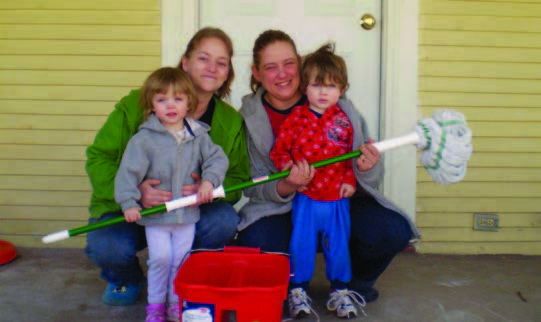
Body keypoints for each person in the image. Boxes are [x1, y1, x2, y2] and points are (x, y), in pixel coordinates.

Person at [237, 29, 419, 316]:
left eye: (288, 63)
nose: (282, 74)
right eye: (270, 67)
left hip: (337, 198)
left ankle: (350, 287)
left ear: (300, 63)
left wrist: (366, 168)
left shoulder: (341, 110)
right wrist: (287, 184)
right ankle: (292, 288)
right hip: (287, 205)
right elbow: (253, 184)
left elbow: (364, 164)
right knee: (258, 241)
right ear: (256, 73)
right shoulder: (249, 119)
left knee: (390, 230)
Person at [85, 27, 250, 306]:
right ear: (185, 63)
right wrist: (133, 193)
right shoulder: (136, 104)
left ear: (228, 72)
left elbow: (237, 177)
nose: (212, 68)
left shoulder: (230, 121)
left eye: (221, 62)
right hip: (133, 211)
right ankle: (128, 278)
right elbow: (98, 158)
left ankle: (187, 279)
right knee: (107, 245)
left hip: (188, 213)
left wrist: (210, 187)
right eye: (203, 58)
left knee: (224, 221)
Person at [115, 67, 228, 321]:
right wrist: (128, 202)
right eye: (162, 99)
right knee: (161, 259)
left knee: (181, 261)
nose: (170, 105)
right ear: (151, 104)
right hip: (156, 217)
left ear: (189, 103)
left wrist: (208, 182)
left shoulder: (198, 135)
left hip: (187, 215)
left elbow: (217, 160)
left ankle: (176, 303)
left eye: (178, 99)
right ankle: (155, 307)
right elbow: (128, 173)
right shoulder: (144, 140)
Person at [269, 44, 362, 318]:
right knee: (302, 244)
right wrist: (289, 170)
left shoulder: (345, 121)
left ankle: (340, 290)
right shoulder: (296, 119)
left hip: (336, 198)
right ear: (304, 88)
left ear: (342, 89)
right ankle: (298, 289)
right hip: (306, 198)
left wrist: (350, 179)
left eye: (332, 86)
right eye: (317, 85)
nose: (324, 92)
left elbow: (350, 156)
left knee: (338, 244)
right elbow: (279, 151)